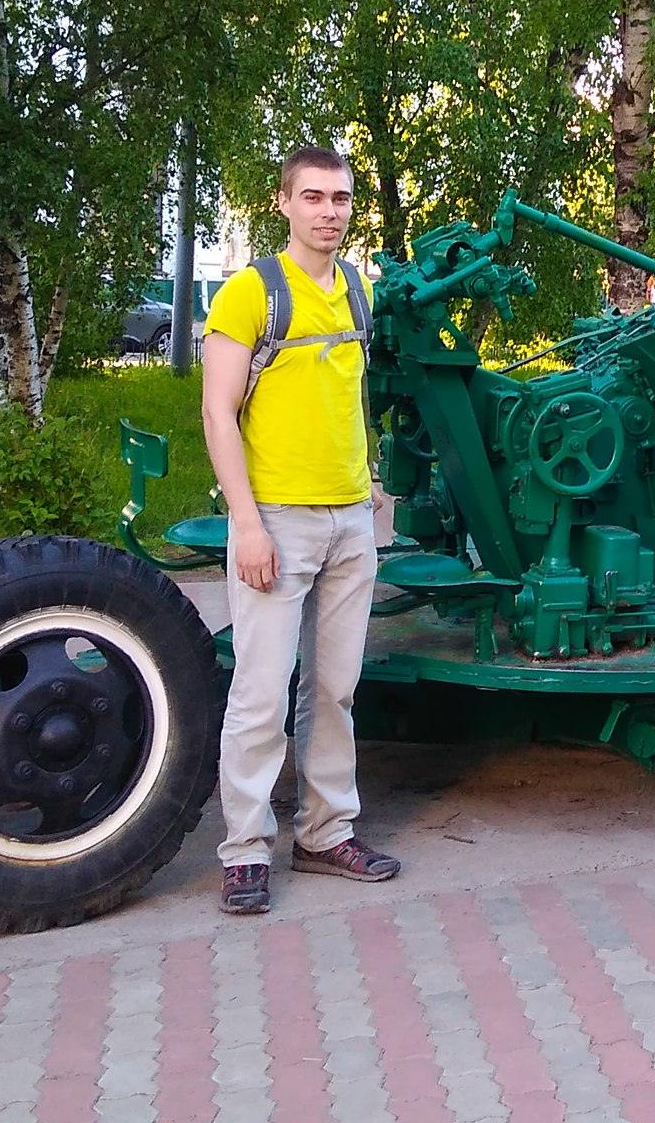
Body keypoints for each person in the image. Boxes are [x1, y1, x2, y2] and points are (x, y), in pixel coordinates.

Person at [197, 145, 398, 917]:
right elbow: (218, 412)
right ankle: (246, 851)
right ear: (282, 203)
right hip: (275, 521)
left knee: (336, 690)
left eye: (340, 198)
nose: (328, 211)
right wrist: (245, 523)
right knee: (259, 695)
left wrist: (371, 486)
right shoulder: (252, 294)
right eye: (312, 197)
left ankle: (324, 834)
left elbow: (349, 394)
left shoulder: (356, 288)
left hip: (349, 520)